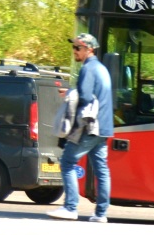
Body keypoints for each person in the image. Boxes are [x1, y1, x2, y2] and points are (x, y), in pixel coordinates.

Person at [48, 33, 113, 222]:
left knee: (68, 162)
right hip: (104, 126)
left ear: (89, 49)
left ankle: (70, 207)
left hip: (90, 126)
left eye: (78, 47)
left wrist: (70, 94)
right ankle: (101, 213)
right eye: (74, 47)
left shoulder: (88, 68)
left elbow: (84, 97)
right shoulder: (102, 69)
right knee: (102, 170)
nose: (75, 51)